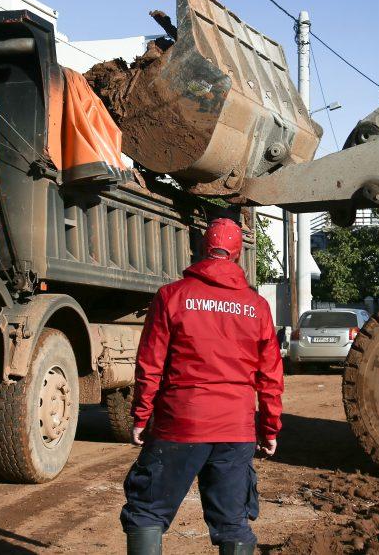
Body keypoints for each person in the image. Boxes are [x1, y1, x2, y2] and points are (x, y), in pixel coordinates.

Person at [120, 218, 284, 555]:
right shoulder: (257, 307)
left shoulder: (172, 296)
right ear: (238, 255)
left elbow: (150, 363)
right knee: (232, 523)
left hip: (180, 424)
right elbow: (270, 377)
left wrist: (141, 417)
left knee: (146, 512)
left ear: (203, 250)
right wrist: (269, 428)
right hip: (235, 431)